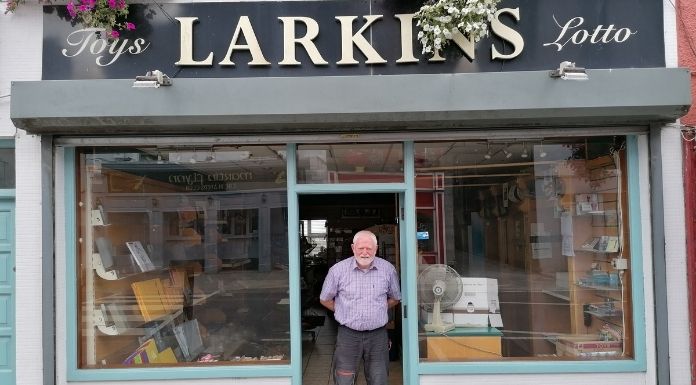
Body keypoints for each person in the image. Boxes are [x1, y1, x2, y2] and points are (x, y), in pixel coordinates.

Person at [319, 229, 402, 385]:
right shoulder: (337, 271)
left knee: (379, 379)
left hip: (378, 336)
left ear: (376, 249)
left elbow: (395, 298)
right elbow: (325, 299)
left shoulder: (388, 270)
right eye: (361, 248)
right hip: (348, 335)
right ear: (353, 248)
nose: (365, 252)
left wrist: (378, 308)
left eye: (369, 248)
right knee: (344, 379)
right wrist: (344, 310)